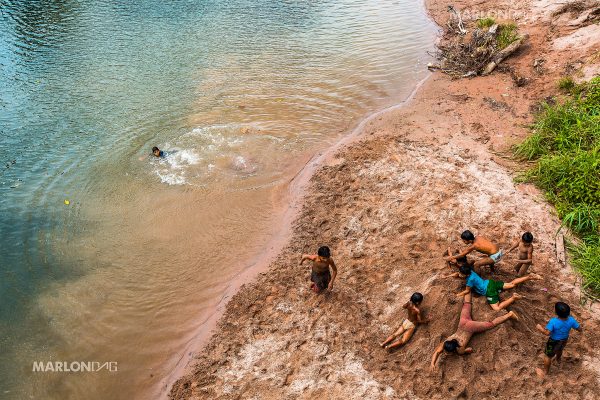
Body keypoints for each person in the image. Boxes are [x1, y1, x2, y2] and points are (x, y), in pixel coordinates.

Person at [430, 292, 518, 371]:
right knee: (466, 304)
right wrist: (432, 363)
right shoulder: (446, 343)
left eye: (446, 352)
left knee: (491, 324)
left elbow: (470, 349)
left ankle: (509, 314)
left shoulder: (459, 349)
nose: (445, 352)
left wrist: (466, 351)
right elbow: (437, 352)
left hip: (470, 328)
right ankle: (468, 287)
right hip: (462, 323)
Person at [450, 265, 542, 311]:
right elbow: (459, 274)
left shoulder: (470, 280)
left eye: (461, 274)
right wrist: (452, 275)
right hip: (490, 282)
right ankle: (529, 276)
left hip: (488, 290)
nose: (460, 275)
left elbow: (467, 291)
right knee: (512, 284)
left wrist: (457, 295)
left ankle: (513, 297)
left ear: (465, 274)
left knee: (497, 308)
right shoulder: (470, 271)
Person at [535, 302, 581, 378]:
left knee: (548, 356)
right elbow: (579, 329)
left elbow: (547, 333)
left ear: (556, 312)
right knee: (560, 350)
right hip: (564, 339)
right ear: (568, 313)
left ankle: (546, 371)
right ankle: (558, 359)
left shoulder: (553, 321)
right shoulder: (571, 320)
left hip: (553, 341)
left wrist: (540, 328)